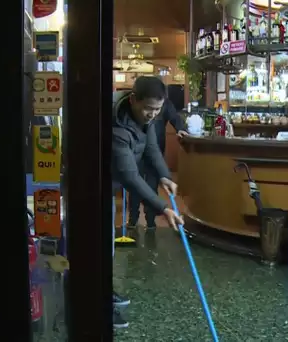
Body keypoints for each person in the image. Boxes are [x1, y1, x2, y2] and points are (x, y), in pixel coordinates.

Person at [111, 76, 184, 328]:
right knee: (94, 244)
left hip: (109, 183)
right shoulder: (117, 127)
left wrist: (164, 175)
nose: (152, 114)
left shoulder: (145, 117)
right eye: (148, 108)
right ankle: (97, 305)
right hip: (90, 184)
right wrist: (163, 208)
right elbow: (131, 177)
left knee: (103, 247)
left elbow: (152, 148)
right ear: (133, 99)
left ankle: (103, 292)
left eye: (157, 109)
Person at [127, 93, 188, 230]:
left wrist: (181, 129)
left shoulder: (165, 104)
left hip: (156, 152)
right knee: (134, 185)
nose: (153, 112)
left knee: (152, 185)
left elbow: (175, 118)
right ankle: (133, 219)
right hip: (136, 149)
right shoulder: (138, 105)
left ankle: (150, 221)